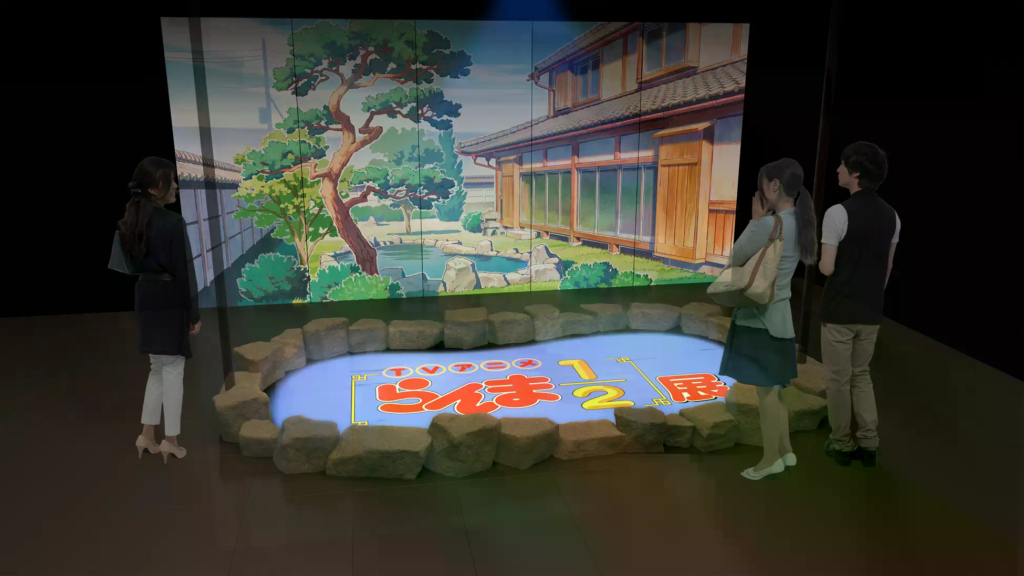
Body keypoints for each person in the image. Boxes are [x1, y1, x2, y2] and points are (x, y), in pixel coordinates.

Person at [719, 158, 819, 480]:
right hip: (781, 320)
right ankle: (786, 451)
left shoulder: (769, 225)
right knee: (775, 390)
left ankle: (770, 459)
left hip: (759, 319)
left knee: (766, 394)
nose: (761, 191)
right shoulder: (801, 223)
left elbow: (734, 257)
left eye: (763, 185)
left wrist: (755, 221)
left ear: (775, 186)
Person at [818, 142, 899, 468]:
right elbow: (888, 268)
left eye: (842, 164)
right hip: (870, 310)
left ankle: (841, 443)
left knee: (838, 379)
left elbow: (827, 268)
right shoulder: (893, 216)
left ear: (855, 173)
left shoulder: (837, 213)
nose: (837, 169)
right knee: (861, 375)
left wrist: (818, 256)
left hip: (840, 310)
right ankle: (869, 442)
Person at [119, 157, 200, 463]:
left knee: (157, 368)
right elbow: (184, 272)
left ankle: (147, 435)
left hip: (145, 296)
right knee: (173, 369)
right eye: (171, 181)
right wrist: (193, 314)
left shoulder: (130, 221)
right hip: (169, 298)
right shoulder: (172, 222)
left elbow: (127, 264)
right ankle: (171, 440)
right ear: (154, 189)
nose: (176, 186)